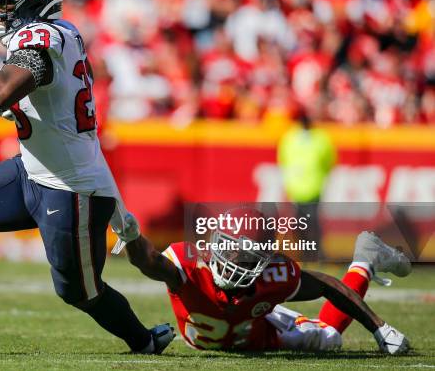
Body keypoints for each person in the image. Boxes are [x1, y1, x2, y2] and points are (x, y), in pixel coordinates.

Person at [0, 0, 174, 356]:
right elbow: (37, 92)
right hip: (32, 171)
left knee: (78, 291)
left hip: (71, 188)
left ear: (30, 2)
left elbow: (2, 90)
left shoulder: (41, 34)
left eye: (5, 3)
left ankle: (144, 340)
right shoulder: (61, 31)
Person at [121, 211, 411, 354]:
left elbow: (326, 285)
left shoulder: (272, 277)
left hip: (264, 335)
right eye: (229, 246)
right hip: (240, 331)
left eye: (245, 254)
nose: (234, 257)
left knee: (331, 338)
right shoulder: (189, 267)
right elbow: (147, 260)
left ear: (263, 261)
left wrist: (378, 327)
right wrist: (131, 235)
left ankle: (366, 258)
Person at [278, 111, 336, 259]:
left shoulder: (291, 138)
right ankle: (311, 252)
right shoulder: (318, 138)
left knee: (306, 222)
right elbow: (329, 160)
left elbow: (283, 161)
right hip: (307, 187)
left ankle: (311, 252)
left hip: (304, 187)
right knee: (307, 222)